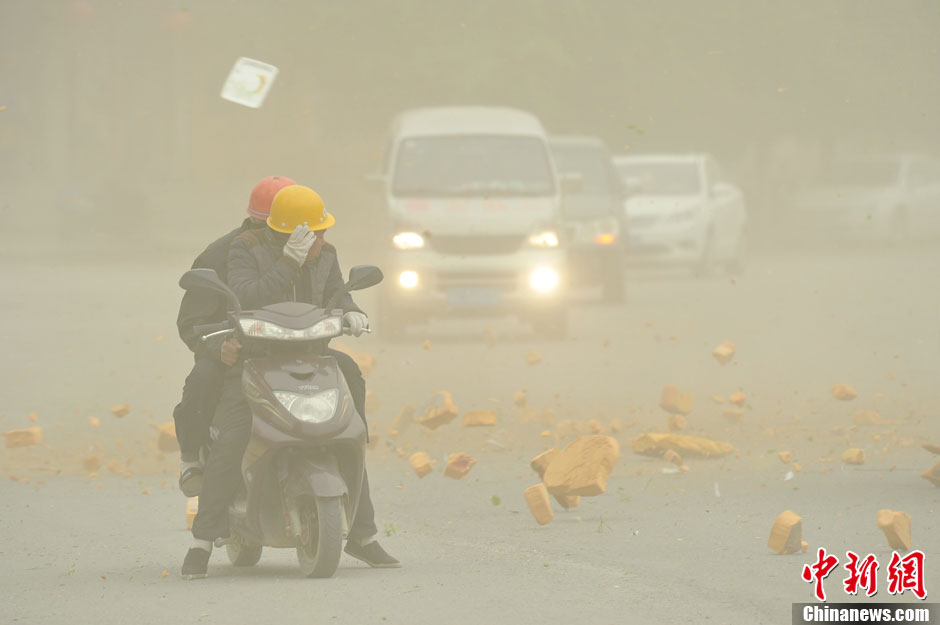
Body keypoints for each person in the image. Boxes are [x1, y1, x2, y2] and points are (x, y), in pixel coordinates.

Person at [181, 184, 400, 579]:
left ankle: (363, 535)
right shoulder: (244, 250)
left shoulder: (327, 255)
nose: (322, 240)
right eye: (315, 234)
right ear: (289, 234)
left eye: (323, 232)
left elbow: (336, 294)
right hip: (255, 360)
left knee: (348, 417)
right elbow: (248, 297)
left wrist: (351, 310)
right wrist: (288, 264)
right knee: (234, 433)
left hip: (311, 354)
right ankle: (202, 541)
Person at [173, 176, 295, 496]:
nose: (285, 237)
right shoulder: (219, 255)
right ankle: (192, 458)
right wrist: (220, 348)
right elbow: (192, 322)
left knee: (345, 371)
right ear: (257, 221)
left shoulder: (307, 252)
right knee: (203, 377)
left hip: (291, 350)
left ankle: (344, 447)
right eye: (278, 229)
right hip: (237, 353)